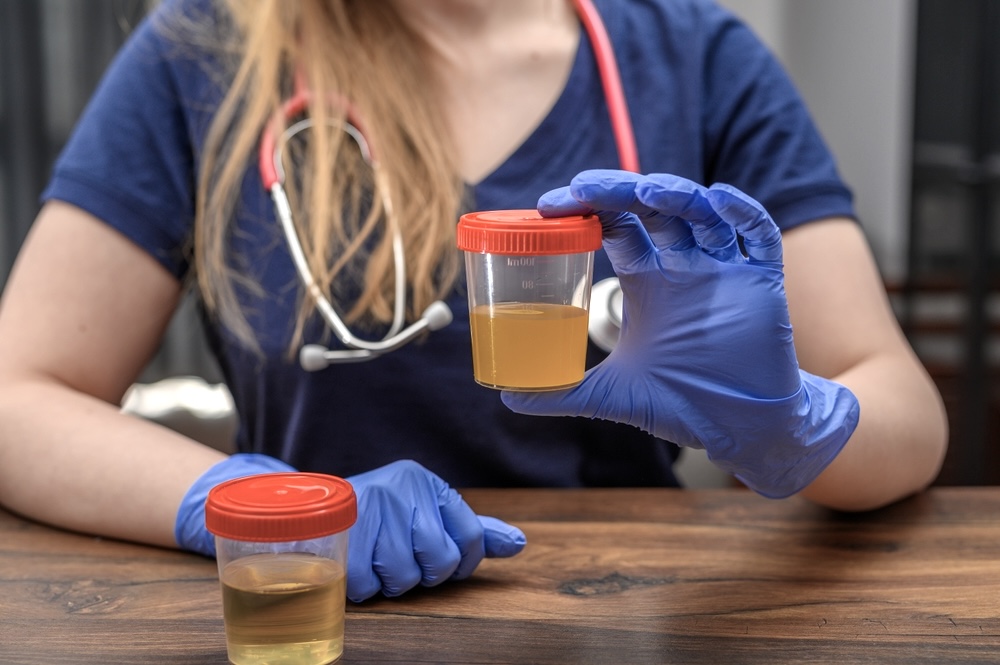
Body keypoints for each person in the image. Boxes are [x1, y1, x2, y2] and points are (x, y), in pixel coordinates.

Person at [0, 0, 947, 603]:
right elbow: (16, 395)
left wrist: (792, 424)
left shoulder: (699, 58)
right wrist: (255, 502)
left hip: (632, 623)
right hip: (316, 611)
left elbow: (905, 411)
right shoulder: (206, 51)